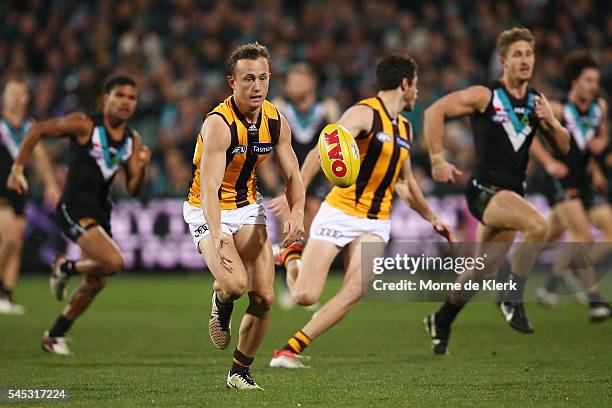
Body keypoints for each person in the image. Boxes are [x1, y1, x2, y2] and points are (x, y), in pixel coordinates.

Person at [268, 55, 456, 369]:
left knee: (355, 291)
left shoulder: (406, 128)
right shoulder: (364, 113)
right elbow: (322, 149)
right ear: (405, 83)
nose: (417, 93)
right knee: (305, 296)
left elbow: (406, 184)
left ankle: (288, 350)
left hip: (377, 220)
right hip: (340, 211)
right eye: (416, 85)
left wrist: (433, 218)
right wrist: (295, 197)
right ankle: (288, 256)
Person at [423, 27, 570, 355]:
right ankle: (512, 296)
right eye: (517, 54)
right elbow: (435, 112)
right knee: (538, 225)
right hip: (484, 191)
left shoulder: (536, 102)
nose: (524, 60)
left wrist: (553, 123)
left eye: (529, 54)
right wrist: (436, 160)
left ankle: (442, 320)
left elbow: (563, 148)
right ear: (503, 61)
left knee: (482, 270)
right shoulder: (485, 96)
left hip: (510, 196)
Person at [183, 42, 305, 390]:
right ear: (231, 82)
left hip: (248, 206)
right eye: (248, 79)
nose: (257, 86)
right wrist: (218, 230)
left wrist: (296, 211)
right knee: (235, 285)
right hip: (207, 209)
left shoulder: (276, 121)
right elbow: (208, 189)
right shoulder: (218, 125)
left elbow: (293, 175)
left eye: (263, 78)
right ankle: (221, 300)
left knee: (265, 297)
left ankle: (239, 372)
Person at [7, 75, 151, 354]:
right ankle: (66, 267)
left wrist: (143, 167)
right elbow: (37, 131)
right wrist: (17, 169)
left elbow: (134, 190)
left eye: (132, 98)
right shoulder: (84, 125)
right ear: (105, 98)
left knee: (97, 279)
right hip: (73, 207)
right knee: (113, 261)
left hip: (100, 211)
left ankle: (54, 335)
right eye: (119, 95)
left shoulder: (132, 139)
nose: (126, 102)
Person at [530, 51, 611, 321]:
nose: (592, 86)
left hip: (585, 181)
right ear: (574, 82)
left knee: (549, 236)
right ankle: (596, 302)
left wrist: (598, 160)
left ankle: (552, 280)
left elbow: (599, 138)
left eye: (595, 80)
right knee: (582, 236)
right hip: (559, 180)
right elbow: (530, 137)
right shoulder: (559, 108)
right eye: (588, 80)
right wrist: (549, 162)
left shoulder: (600, 107)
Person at [0, 77, 60, 315]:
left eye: (20, 93)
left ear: (26, 98)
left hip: (20, 191)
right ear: (4, 96)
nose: (16, 98)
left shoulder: (28, 128)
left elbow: (40, 157)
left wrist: (50, 184)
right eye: (11, 92)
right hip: (0, 189)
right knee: (10, 239)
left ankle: (6, 294)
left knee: (17, 245)